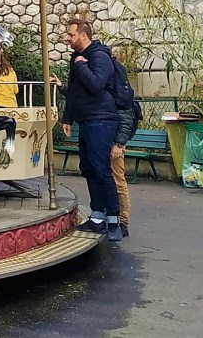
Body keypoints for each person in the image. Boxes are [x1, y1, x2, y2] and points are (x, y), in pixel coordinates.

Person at [59, 16, 122, 242]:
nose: (68, 38)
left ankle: (114, 220)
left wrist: (82, 66)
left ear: (83, 35)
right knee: (89, 168)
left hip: (102, 119)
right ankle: (97, 217)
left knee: (101, 169)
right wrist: (68, 118)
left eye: (71, 35)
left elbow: (96, 85)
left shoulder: (98, 56)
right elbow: (76, 92)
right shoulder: (77, 57)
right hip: (87, 119)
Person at [112, 93, 137, 238]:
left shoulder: (119, 91)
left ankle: (123, 221)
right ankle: (119, 219)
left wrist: (119, 144)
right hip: (112, 138)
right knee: (114, 179)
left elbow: (126, 117)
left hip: (114, 141)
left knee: (118, 180)